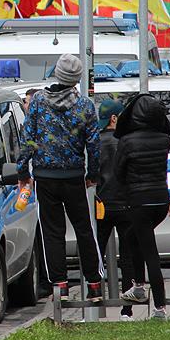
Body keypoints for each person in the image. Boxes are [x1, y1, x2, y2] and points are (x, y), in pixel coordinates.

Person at [16, 54, 103, 303]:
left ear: (56, 73)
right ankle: (95, 285)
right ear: (76, 78)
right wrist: (92, 174)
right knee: (84, 230)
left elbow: (27, 139)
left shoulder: (39, 102)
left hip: (45, 177)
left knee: (53, 232)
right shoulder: (85, 106)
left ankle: (60, 286)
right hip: (74, 176)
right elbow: (94, 145)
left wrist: (24, 172)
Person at [114, 94, 170, 320]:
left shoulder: (127, 142)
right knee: (132, 239)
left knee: (150, 253)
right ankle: (139, 287)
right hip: (161, 200)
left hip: (139, 201)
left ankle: (158, 305)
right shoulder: (164, 140)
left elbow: (119, 172)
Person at [95, 99, 135, 321]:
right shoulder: (126, 142)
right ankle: (127, 309)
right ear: (115, 119)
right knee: (128, 257)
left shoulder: (96, 142)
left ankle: (94, 304)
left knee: (96, 255)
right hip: (126, 204)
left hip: (102, 206)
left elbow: (91, 175)